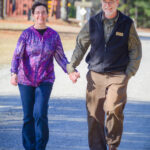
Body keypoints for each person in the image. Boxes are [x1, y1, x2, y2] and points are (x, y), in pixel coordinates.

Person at [67, 0, 142, 150]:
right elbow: (81, 45)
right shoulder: (93, 22)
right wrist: (71, 66)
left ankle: (113, 145)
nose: (107, 5)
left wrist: (128, 73)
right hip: (95, 75)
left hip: (118, 75)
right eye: (105, 2)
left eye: (111, 2)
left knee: (114, 109)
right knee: (94, 115)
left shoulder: (127, 23)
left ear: (117, 2)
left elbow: (135, 49)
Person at [10, 2, 69, 150]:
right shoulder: (26, 34)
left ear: (47, 14)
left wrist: (71, 71)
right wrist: (13, 73)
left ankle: (40, 146)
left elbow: (61, 57)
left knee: (40, 113)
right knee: (28, 116)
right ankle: (29, 147)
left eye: (43, 12)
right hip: (25, 80)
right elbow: (17, 55)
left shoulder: (53, 36)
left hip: (45, 80)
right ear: (33, 14)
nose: (40, 15)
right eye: (37, 12)